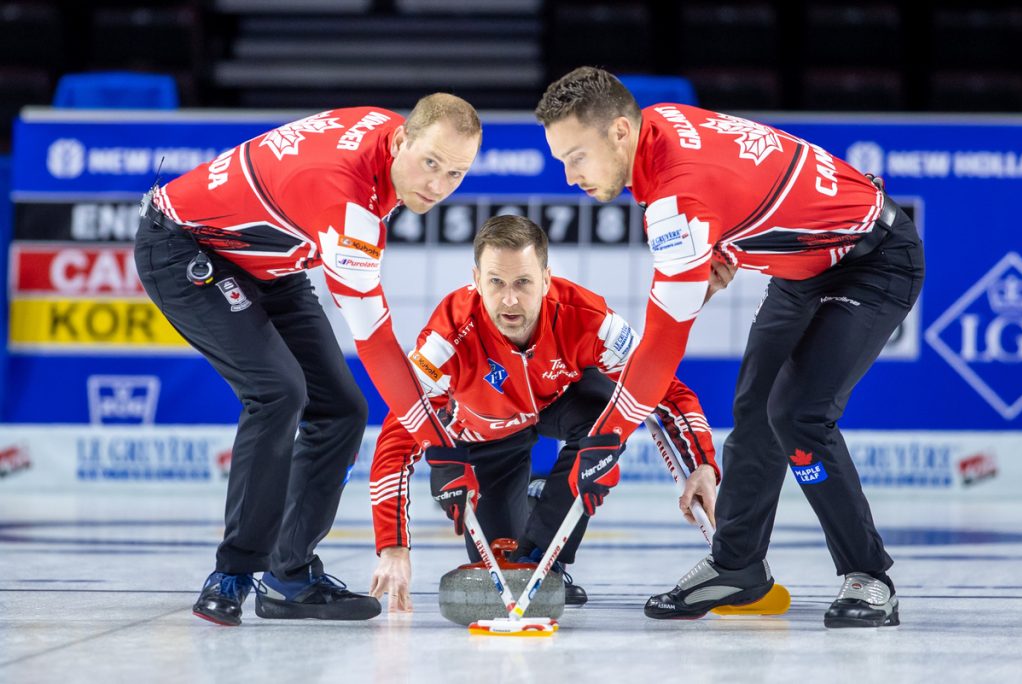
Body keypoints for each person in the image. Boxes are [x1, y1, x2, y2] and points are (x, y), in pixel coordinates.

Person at [534, 67, 924, 628]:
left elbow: (662, 347)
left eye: (576, 157)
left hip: (876, 262)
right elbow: (755, 177)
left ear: (620, 131)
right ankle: (737, 567)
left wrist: (609, 437)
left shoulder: (677, 199)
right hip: (806, 267)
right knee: (755, 409)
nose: (570, 178)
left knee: (797, 415)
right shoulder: (661, 122)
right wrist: (727, 251)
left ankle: (869, 576)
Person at [134, 94, 482, 626]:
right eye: (430, 164)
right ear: (402, 140)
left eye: (456, 173)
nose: (437, 186)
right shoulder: (346, 206)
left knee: (341, 407)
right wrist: (438, 445)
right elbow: (378, 344)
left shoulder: (393, 136)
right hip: (186, 246)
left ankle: (288, 577)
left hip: (267, 254)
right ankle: (233, 572)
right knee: (278, 391)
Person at [366, 215, 718, 612]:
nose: (510, 300)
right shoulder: (445, 341)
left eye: (524, 283)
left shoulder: (587, 318)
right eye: (496, 282)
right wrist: (393, 547)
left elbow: (663, 387)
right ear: (476, 279)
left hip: (561, 402)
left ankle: (547, 551)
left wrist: (702, 463)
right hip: (488, 433)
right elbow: (397, 437)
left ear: (547, 280)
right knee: (501, 573)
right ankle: (532, 516)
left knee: (604, 417)